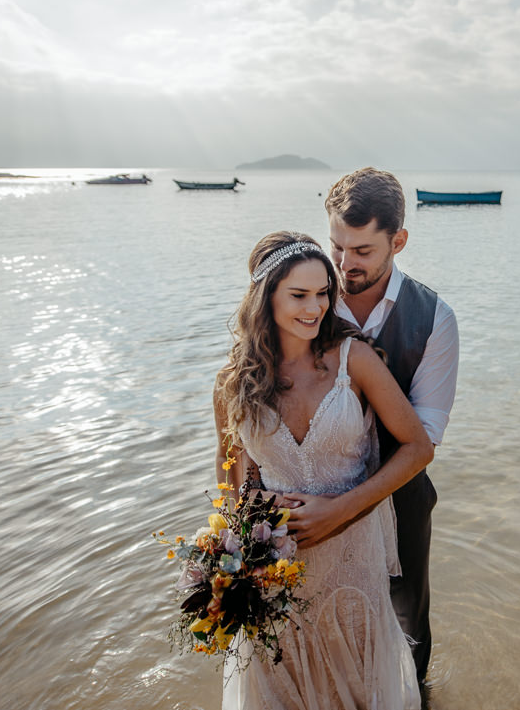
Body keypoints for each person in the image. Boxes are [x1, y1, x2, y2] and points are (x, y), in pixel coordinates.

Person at [213, 231, 433, 710]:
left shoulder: (355, 361)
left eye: (323, 293)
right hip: (276, 564)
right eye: (298, 295)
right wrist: (254, 511)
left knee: (355, 683)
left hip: (353, 558)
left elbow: (417, 448)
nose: (315, 308)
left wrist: (339, 512)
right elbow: (230, 472)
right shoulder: (234, 381)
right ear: (264, 296)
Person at [321, 167, 460, 701]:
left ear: (398, 241)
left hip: (402, 497)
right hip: (315, 491)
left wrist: (347, 509)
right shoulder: (306, 294)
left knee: (409, 626)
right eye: (336, 245)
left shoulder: (434, 319)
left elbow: (423, 439)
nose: (344, 264)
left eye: (361, 250)